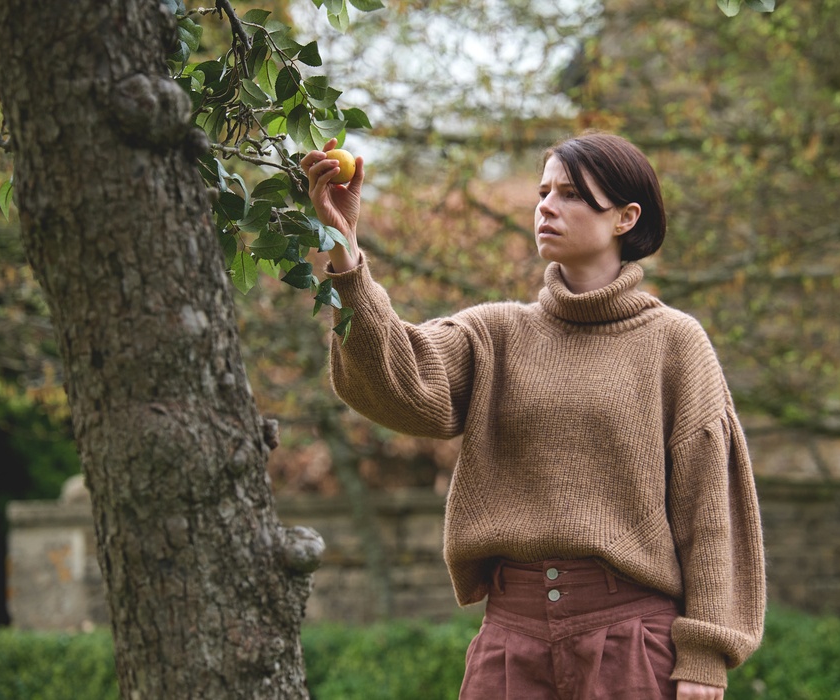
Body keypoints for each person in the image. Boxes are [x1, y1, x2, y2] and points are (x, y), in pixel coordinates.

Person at [302, 132, 765, 700]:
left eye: (570, 193)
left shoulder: (675, 343)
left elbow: (711, 511)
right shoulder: (495, 334)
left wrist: (705, 656)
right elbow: (395, 381)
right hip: (510, 646)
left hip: (633, 647)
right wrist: (345, 253)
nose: (546, 205)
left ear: (625, 216)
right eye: (543, 191)